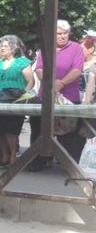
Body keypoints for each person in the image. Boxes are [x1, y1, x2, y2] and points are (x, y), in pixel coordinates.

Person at [28, 19, 86, 171]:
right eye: (59, 33)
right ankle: (39, 160)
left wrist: (61, 83)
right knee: (39, 128)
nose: (62, 36)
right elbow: (39, 69)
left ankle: (69, 165)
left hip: (68, 97)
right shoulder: (45, 48)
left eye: (65, 33)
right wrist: (50, 83)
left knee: (70, 132)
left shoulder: (76, 48)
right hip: (45, 96)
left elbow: (77, 70)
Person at [0, 35, 34, 168]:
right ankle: (4, 156)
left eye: (5, 46)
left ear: (13, 48)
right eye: (1, 46)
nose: (2, 48)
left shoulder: (22, 62)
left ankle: (13, 157)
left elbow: (30, 81)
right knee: (0, 129)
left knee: (11, 130)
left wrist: (23, 96)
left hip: (14, 100)